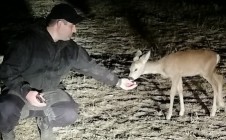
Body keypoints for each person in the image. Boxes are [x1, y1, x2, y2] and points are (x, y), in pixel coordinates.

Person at [0, 3, 137, 140]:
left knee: (69, 113)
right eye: (72, 25)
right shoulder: (27, 41)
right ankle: (6, 131)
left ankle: (46, 122)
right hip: (20, 92)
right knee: (5, 109)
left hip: (50, 93)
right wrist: (26, 91)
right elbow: (7, 70)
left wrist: (117, 81)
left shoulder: (70, 48)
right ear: (60, 24)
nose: (75, 30)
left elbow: (91, 67)